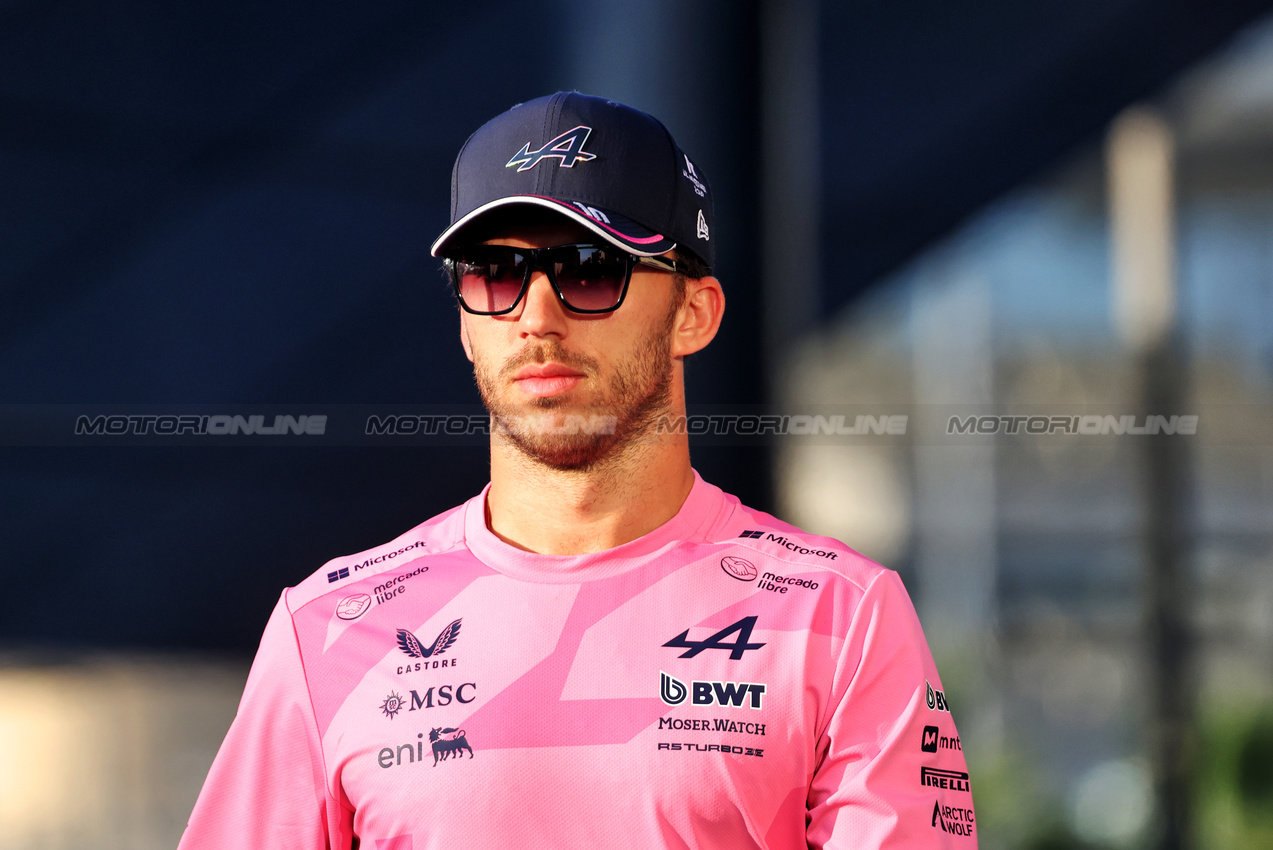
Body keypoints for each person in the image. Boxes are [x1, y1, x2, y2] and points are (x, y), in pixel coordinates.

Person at [179, 91, 977, 849]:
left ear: (692, 314)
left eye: (589, 269)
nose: (535, 315)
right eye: (494, 272)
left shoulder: (843, 615)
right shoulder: (325, 626)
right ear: (463, 320)